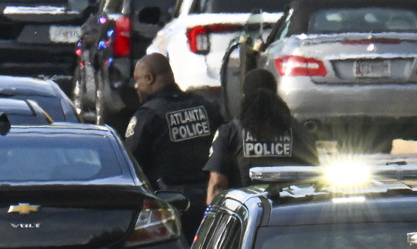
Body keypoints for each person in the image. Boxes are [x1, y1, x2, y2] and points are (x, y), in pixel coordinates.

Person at [123, 53, 222, 237]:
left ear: (150, 78)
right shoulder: (206, 107)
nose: (136, 87)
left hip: (170, 208)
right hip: (211, 201)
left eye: (138, 80)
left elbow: (130, 164)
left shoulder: (148, 115)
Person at [205, 67, 317, 203]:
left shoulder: (230, 131)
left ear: (244, 97)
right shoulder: (299, 131)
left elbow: (217, 184)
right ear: (276, 95)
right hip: (293, 217)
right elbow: (315, 181)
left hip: (248, 218)